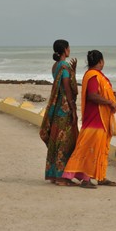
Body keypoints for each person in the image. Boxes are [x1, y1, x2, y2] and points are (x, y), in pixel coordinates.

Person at [62, 50, 116, 189]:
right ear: (101, 61)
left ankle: (100, 177)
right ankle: (85, 179)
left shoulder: (95, 75)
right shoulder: (93, 76)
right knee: (88, 148)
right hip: (95, 119)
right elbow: (92, 95)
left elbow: (98, 93)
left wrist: (110, 95)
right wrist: (109, 102)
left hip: (101, 119)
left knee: (100, 149)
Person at [39, 39, 79, 186]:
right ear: (65, 50)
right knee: (65, 142)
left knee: (57, 141)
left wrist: (73, 71)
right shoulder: (64, 66)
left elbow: (62, 83)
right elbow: (68, 89)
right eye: (69, 48)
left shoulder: (55, 66)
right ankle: (62, 178)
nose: (70, 50)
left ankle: (55, 175)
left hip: (56, 110)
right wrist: (73, 109)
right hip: (65, 108)